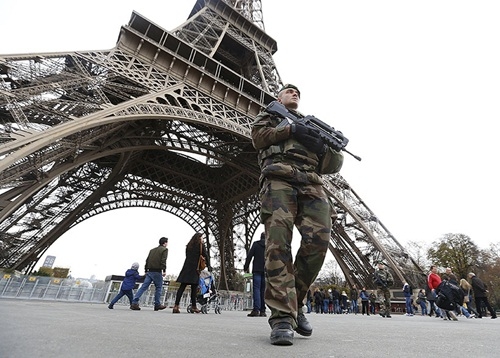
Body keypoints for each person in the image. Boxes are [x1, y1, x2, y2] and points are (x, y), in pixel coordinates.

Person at [251, 84, 344, 345]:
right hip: (279, 179)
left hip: (312, 183)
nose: (294, 94)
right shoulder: (270, 115)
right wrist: (290, 129)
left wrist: (324, 148)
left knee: (319, 243)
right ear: (279, 97)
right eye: (289, 91)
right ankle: (282, 316)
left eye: (298, 93)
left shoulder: (314, 127)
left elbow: (333, 165)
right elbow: (258, 139)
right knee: (278, 244)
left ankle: (296, 302)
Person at [172, 233, 209, 314]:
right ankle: (194, 306)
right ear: (199, 238)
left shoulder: (189, 246)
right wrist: (208, 265)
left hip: (186, 268)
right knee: (194, 289)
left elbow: (187, 256)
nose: (203, 239)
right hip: (195, 269)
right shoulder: (201, 246)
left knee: (182, 287)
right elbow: (205, 255)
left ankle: (176, 305)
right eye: (202, 238)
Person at [130, 237, 169, 311]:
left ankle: (134, 302)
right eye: (167, 242)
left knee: (143, 287)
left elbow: (147, 260)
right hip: (157, 271)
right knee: (158, 288)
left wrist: (145, 270)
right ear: (164, 243)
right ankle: (157, 304)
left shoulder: (152, 250)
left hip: (149, 271)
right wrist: (164, 270)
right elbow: (163, 260)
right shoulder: (165, 250)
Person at [243, 232, 266, 317]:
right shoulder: (269, 245)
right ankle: (263, 310)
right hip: (266, 270)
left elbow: (249, 256)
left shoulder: (256, 244)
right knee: (263, 290)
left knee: (256, 289)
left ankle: (256, 309)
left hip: (257, 269)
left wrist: (245, 267)